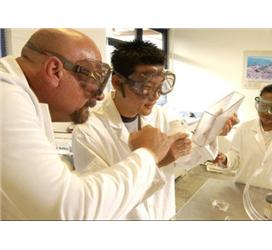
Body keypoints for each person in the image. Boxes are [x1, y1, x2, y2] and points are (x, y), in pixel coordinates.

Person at [0, 28, 183, 220]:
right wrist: (148, 154)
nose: (99, 95)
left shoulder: (23, 97)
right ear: (54, 70)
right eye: (90, 78)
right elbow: (70, 211)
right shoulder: (6, 97)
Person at [72, 40, 238, 220]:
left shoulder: (163, 116)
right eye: (146, 88)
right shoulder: (87, 131)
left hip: (163, 215)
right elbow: (103, 200)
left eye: (159, 88)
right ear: (117, 82)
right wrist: (157, 160)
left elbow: (189, 155)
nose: (155, 97)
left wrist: (211, 131)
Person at [214, 84, 272, 187]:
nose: (267, 113)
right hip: (244, 187)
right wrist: (225, 159)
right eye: (263, 106)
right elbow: (234, 156)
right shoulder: (244, 128)